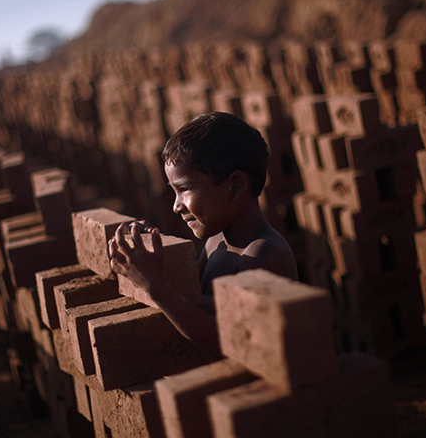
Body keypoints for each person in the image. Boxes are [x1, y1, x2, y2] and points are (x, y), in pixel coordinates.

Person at [108, 112, 298, 358]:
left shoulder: (264, 253)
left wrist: (154, 286)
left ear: (235, 186)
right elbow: (194, 299)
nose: (176, 206)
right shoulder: (216, 242)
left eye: (184, 189)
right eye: (174, 192)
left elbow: (228, 342)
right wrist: (149, 254)